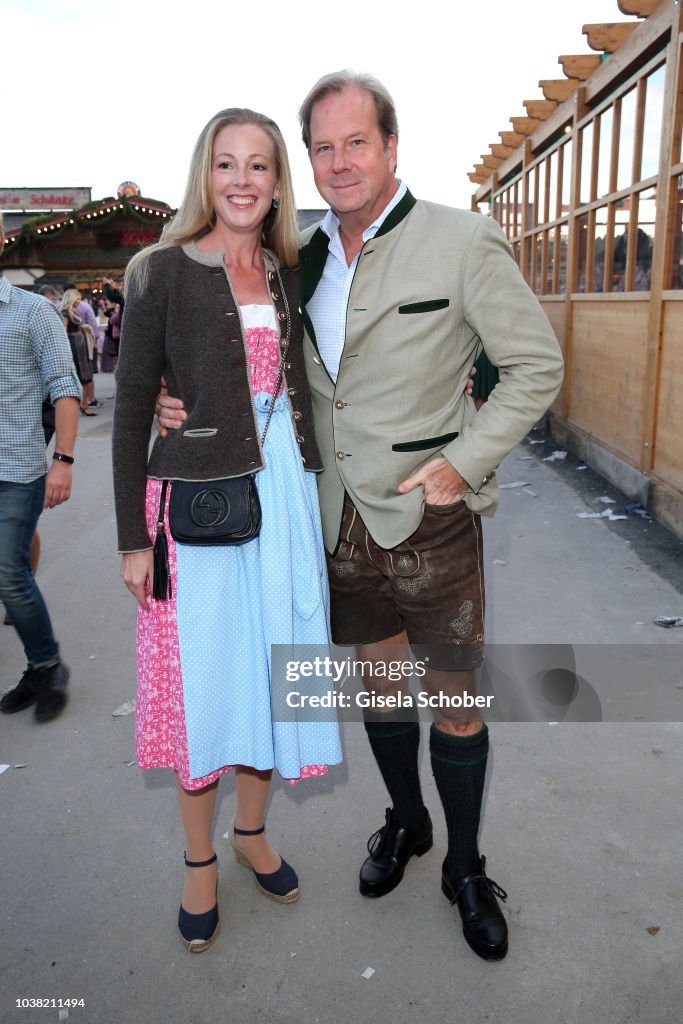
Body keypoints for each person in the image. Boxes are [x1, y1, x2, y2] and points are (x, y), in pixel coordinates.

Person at [157, 72, 564, 963]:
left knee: (454, 701)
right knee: (379, 686)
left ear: (391, 148)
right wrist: (169, 397)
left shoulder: (462, 240)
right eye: (323, 146)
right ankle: (405, 821)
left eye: (357, 142)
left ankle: (464, 865)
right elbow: (242, 355)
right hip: (331, 519)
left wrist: (463, 460)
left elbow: (533, 365)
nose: (339, 162)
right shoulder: (295, 259)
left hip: (431, 519)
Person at [112, 108, 341, 954]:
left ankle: (251, 832)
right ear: (204, 175)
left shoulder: (286, 274)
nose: (241, 181)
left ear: (279, 183)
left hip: (279, 493)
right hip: (199, 502)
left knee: (275, 666)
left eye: (258, 166)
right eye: (225, 164)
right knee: (204, 677)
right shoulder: (159, 270)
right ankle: (200, 858)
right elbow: (136, 402)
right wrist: (134, 536)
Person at [0, 213, 80, 723]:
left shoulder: (31, 312)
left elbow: (65, 387)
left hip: (17, 466)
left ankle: (47, 665)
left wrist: (63, 462)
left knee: (8, 573)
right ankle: (39, 666)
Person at [60, 289, 95, 417]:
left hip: (80, 345)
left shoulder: (72, 312)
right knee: (80, 376)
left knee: (85, 376)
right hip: (74, 346)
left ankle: (84, 404)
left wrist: (83, 327)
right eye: (77, 299)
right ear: (71, 299)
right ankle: (82, 405)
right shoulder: (65, 313)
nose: (79, 302)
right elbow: (63, 332)